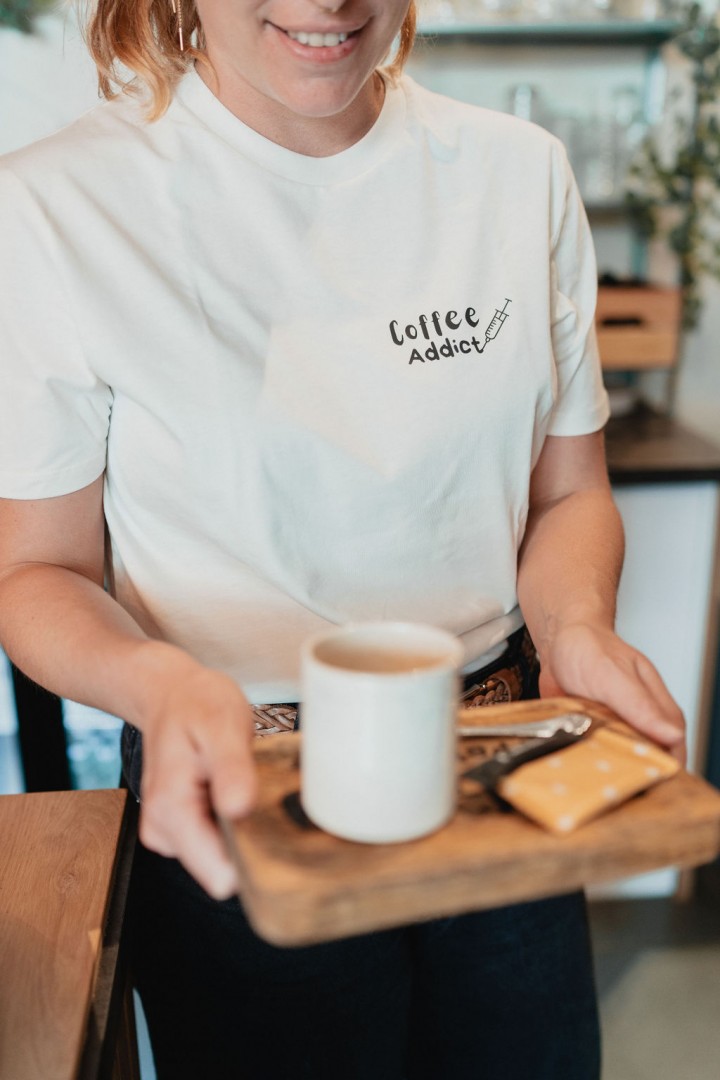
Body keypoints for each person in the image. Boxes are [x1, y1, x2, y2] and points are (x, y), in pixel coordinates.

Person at [0, 1, 685, 1076]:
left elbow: (569, 496)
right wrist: (156, 685)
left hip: (502, 772)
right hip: (242, 793)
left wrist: (577, 629)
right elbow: (37, 570)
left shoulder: (517, 174)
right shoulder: (55, 206)